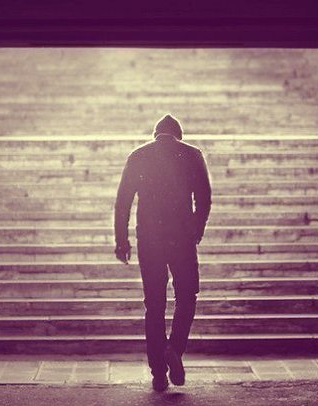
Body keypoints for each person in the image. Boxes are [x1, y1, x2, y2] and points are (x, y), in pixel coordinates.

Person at [113, 114, 212, 391]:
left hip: (150, 239)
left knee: (154, 305)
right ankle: (174, 349)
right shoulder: (192, 154)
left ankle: (158, 373)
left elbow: (122, 202)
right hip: (182, 238)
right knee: (187, 296)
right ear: (178, 135)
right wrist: (196, 229)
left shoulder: (138, 156)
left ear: (156, 134)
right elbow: (204, 198)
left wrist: (122, 242)